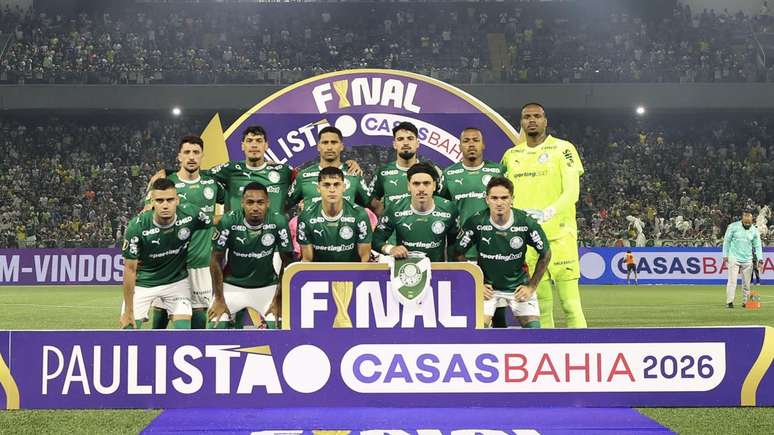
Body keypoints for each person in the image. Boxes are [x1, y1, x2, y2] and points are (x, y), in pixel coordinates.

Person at [501, 102, 587, 328]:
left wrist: (550, 211)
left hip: (560, 238)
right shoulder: (511, 155)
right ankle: (551, 355)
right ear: (521, 122)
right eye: (527, 116)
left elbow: (572, 191)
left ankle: (581, 355)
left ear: (545, 121)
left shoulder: (563, 149)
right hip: (529, 243)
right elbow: (502, 194)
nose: (532, 120)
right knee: (543, 306)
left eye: (537, 116)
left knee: (570, 304)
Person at [145, 136, 224, 329]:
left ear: (202, 156)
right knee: (161, 318)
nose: (191, 157)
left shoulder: (213, 185)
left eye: (196, 152)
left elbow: (223, 214)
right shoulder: (165, 182)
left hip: (200, 264)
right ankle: (155, 356)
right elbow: (148, 216)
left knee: (198, 321)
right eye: (187, 152)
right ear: (179, 156)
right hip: (169, 264)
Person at [454, 177, 551, 328]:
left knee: (534, 333)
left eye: (504, 198)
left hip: (518, 287)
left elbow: (545, 253)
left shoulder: (526, 222)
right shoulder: (476, 222)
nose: (499, 203)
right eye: (494, 198)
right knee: (478, 331)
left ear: (512, 199)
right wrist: (476, 283)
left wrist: (531, 286)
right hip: (488, 289)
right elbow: (458, 252)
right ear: (487, 199)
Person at [120, 178, 211, 329]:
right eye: (160, 200)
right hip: (144, 283)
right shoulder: (137, 227)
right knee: (128, 330)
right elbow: (130, 270)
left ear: (177, 200)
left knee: (184, 333)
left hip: (176, 282)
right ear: (152, 202)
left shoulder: (191, 214)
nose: (165, 205)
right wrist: (128, 311)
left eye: (169, 200)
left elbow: (214, 222)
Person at [208, 182, 294, 328]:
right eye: (250, 202)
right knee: (215, 324)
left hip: (267, 287)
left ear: (268, 203)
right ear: (242, 203)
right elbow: (215, 260)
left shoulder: (278, 221)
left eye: (260, 202)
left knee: (281, 327)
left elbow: (287, 262)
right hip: (232, 286)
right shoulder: (229, 221)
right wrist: (219, 298)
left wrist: (279, 299)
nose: (255, 207)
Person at [373, 162, 459, 261]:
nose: (421, 189)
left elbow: (454, 244)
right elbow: (375, 240)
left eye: (426, 183)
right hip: (404, 270)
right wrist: (390, 249)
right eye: (416, 184)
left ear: (434, 186)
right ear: (409, 186)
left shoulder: (449, 208)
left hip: (437, 271)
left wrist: (452, 270)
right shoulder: (395, 208)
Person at [297, 166, 372, 262]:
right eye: (326, 185)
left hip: (351, 274)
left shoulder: (359, 215)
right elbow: (307, 260)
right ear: (318, 188)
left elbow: (365, 258)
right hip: (318, 275)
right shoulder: (306, 217)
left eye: (336, 184)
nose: (332, 190)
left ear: (344, 187)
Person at [286, 126, 371, 209]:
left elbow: (372, 205)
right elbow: (284, 205)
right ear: (318, 147)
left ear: (341, 146)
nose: (329, 147)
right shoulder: (304, 176)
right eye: (325, 142)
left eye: (334, 142)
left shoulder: (353, 174)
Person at [369, 121, 443, 216]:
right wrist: (386, 217)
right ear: (394, 144)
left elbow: (442, 201)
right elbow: (371, 199)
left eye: (410, 138)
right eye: (400, 139)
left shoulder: (432, 171)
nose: (405, 143)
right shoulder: (383, 172)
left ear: (417, 143)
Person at [722, 210, 763, 308]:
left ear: (752, 221)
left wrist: (760, 259)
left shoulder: (754, 230)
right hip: (734, 257)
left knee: (747, 283)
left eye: (749, 223)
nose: (747, 225)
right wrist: (725, 255)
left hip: (748, 259)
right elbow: (726, 241)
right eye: (746, 223)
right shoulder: (733, 227)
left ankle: (746, 302)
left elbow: (757, 245)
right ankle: (729, 302)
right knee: (732, 281)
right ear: (742, 220)